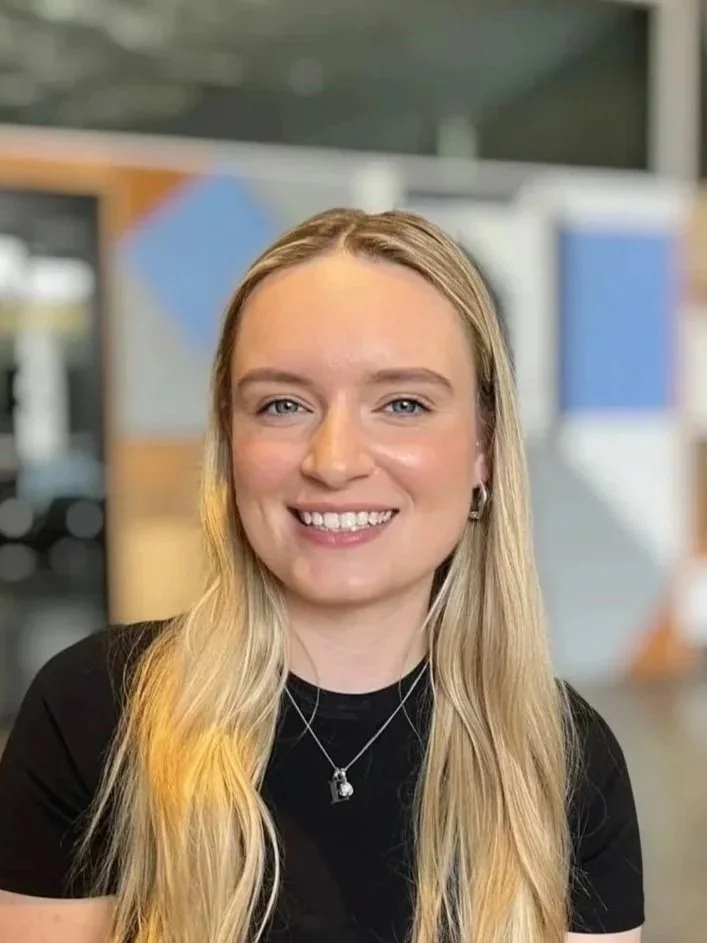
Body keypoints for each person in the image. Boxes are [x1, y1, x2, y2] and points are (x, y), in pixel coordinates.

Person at [0, 209, 644, 943]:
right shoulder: (94, 714)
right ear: (231, 440)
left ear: (483, 449)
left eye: (402, 403)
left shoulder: (565, 759)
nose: (333, 461)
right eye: (282, 404)